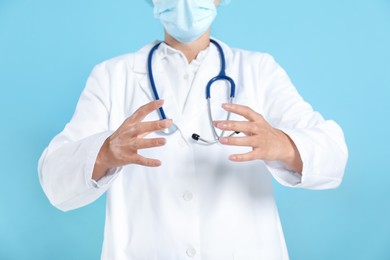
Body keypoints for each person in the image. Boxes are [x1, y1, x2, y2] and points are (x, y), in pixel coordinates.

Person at [38, 0, 348, 259]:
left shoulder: (258, 71)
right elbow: (54, 181)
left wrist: (285, 145)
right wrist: (104, 153)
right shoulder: (112, 76)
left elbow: (333, 155)